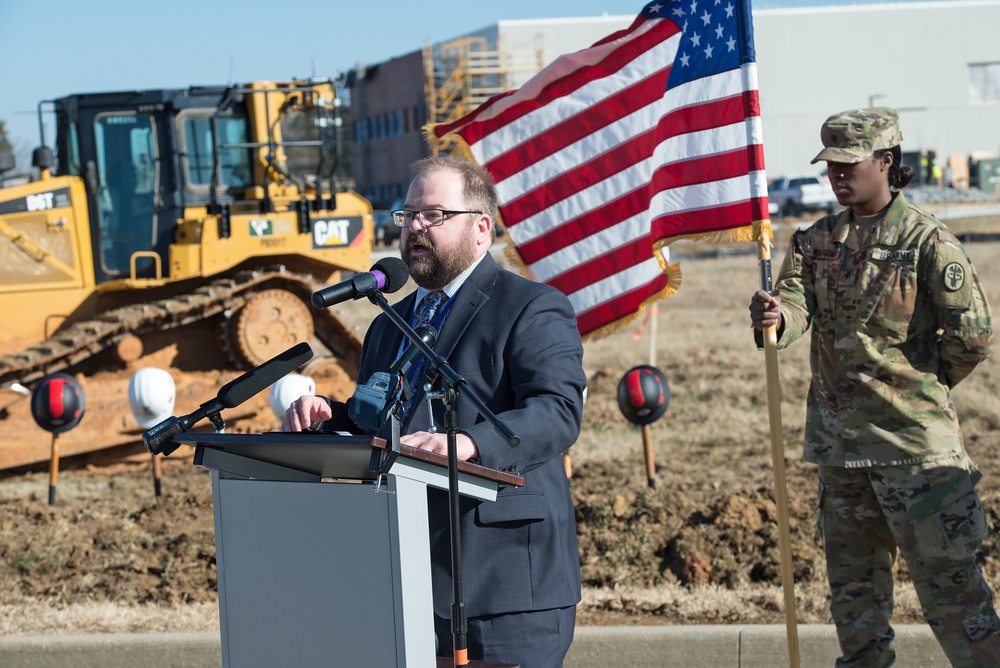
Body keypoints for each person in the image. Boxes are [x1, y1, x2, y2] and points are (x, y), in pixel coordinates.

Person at [282, 156, 586, 667]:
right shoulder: (388, 324)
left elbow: (557, 412)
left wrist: (468, 444)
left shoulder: (531, 306)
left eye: (433, 215)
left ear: (481, 228)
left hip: (503, 586)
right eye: (408, 216)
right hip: (406, 579)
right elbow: (383, 425)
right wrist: (330, 418)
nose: (415, 227)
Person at [750, 107, 1000, 667]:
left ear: (886, 162)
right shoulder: (815, 242)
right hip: (843, 455)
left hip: (915, 454)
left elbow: (974, 336)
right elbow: (794, 308)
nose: (837, 175)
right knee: (855, 602)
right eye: (830, 166)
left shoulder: (927, 242)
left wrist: (920, 389)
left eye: (848, 164)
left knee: (954, 595)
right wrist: (776, 318)